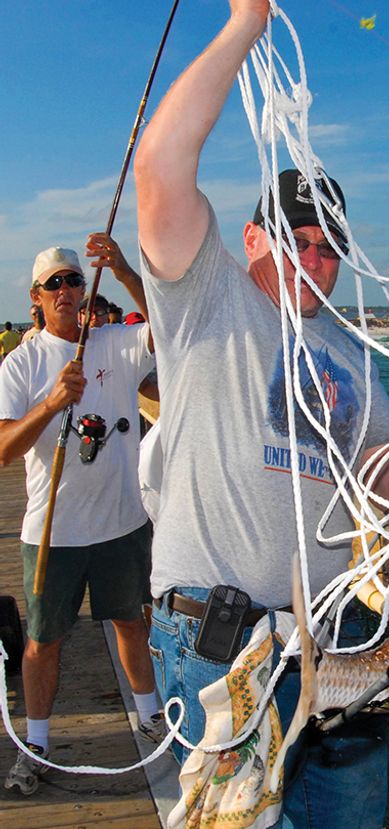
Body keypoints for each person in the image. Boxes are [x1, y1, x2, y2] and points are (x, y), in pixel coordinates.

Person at [134, 2, 389, 825]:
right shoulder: (208, 296)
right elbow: (160, 167)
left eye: (331, 244)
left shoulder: (351, 351)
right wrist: (244, 25)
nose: (316, 257)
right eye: (297, 237)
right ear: (252, 238)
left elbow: (381, 491)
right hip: (219, 650)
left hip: (339, 655)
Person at [0, 234, 164, 797]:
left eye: (74, 279)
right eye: (55, 284)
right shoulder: (21, 365)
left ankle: (149, 716)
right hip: (54, 533)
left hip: (122, 523)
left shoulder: (117, 343)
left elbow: (167, 322)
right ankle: (37, 744)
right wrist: (50, 404)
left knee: (131, 622)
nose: (67, 290)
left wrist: (121, 267)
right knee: (43, 642)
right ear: (36, 298)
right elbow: (3, 449)